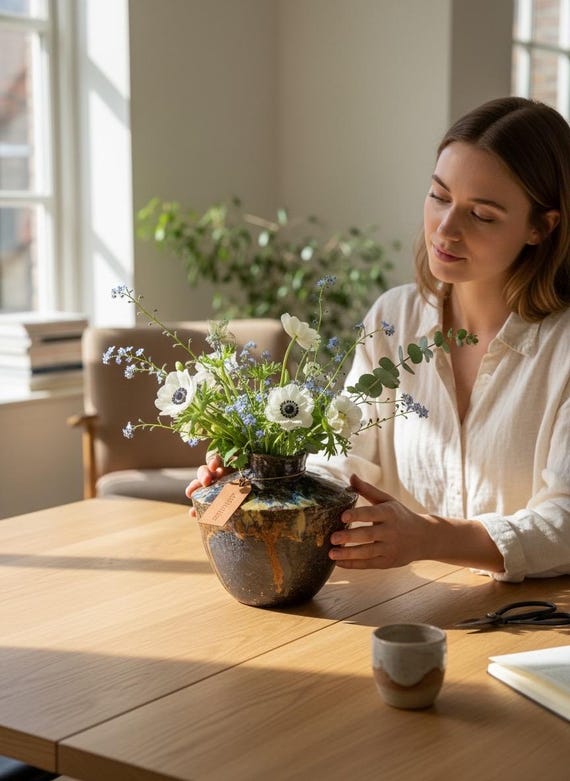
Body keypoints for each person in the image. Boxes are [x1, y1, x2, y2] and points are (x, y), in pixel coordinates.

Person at [186, 96, 570, 583]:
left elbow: (565, 522)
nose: (446, 228)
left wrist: (432, 537)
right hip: (403, 606)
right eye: (439, 196)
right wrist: (266, 485)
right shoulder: (394, 317)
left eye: (482, 214)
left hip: (535, 616)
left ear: (541, 227)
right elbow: (342, 461)